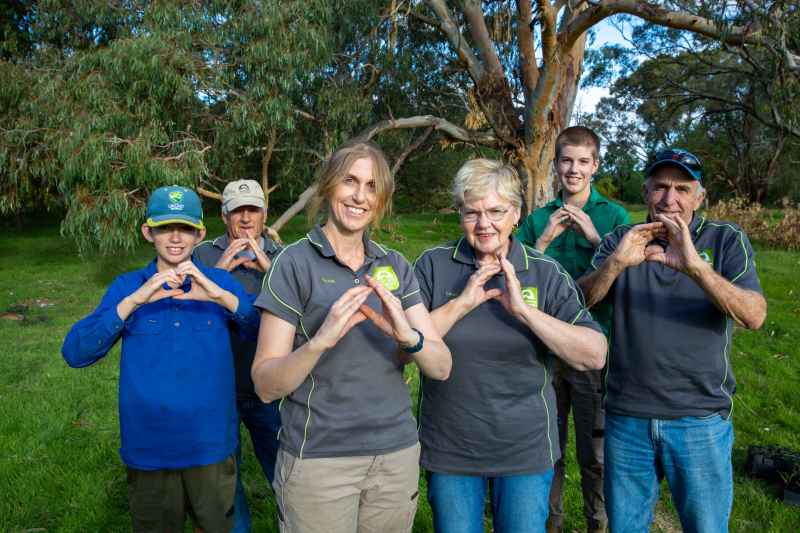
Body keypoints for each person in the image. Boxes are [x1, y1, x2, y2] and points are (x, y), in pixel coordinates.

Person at [250, 140, 452, 533]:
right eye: (350, 181)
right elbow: (264, 385)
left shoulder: (394, 265)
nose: (360, 196)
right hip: (319, 461)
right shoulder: (293, 263)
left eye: (372, 186)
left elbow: (441, 366)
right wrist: (319, 341)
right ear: (328, 186)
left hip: (395, 456)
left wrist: (408, 337)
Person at [578, 148, 767, 532]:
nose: (670, 199)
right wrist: (615, 264)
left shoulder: (725, 239)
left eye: (682, 188)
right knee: (626, 526)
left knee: (706, 527)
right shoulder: (622, 238)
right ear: (646, 192)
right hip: (627, 416)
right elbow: (579, 302)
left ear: (699, 196)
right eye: (660, 187)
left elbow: (754, 315)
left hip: (699, 417)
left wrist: (695, 267)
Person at [413, 158, 607, 533]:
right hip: (451, 448)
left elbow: (595, 352)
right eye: (472, 213)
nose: (484, 224)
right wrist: (462, 303)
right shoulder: (433, 265)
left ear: (516, 214)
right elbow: (405, 345)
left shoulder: (545, 271)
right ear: (460, 215)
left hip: (525, 451)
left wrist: (525, 312)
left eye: (496, 211)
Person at [62, 186, 260, 532]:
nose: (175, 238)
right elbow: (76, 352)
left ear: (199, 233)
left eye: (185, 228)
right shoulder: (128, 286)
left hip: (210, 446)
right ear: (147, 232)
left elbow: (263, 333)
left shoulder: (219, 282)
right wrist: (134, 302)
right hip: (150, 448)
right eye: (165, 227)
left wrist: (221, 298)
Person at [517, 126, 629, 533]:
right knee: (549, 448)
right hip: (543, 351)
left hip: (590, 350)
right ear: (556, 166)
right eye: (567, 161)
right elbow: (517, 276)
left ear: (595, 166)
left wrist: (595, 238)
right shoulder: (535, 221)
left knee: (594, 453)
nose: (574, 169)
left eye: (583, 162)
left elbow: (624, 279)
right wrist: (544, 240)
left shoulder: (613, 217)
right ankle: (552, 523)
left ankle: (596, 522)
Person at [193, 179, 282, 532]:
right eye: (237, 211)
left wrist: (270, 273)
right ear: (224, 215)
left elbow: (303, 312)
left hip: (268, 387)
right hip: (219, 388)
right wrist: (217, 276)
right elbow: (183, 309)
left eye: (253, 210)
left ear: (264, 214)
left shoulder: (283, 256)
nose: (245, 219)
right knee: (226, 481)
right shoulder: (202, 255)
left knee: (285, 472)